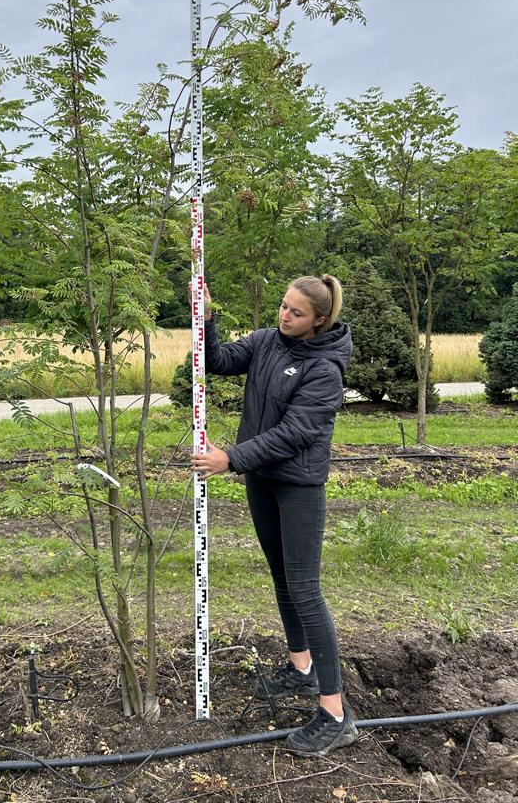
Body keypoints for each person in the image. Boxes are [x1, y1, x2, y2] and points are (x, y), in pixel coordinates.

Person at [190, 275, 357, 757]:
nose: (285, 316)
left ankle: (335, 712)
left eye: (296, 313)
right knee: (282, 578)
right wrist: (207, 319)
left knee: (306, 589)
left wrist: (232, 458)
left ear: (319, 320)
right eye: (283, 307)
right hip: (262, 481)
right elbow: (218, 361)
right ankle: (300, 668)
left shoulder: (326, 370)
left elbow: (296, 433)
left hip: (298, 486)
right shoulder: (266, 343)